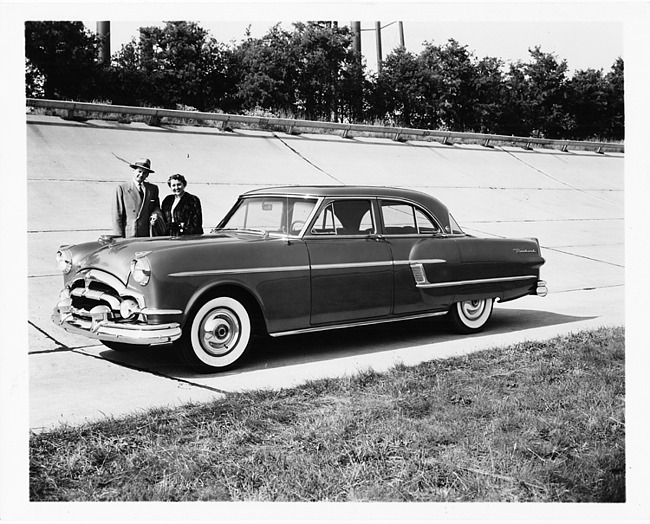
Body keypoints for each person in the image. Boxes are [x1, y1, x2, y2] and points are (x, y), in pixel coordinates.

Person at [112, 158, 163, 238]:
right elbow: (117, 215)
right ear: (133, 171)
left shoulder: (153, 189)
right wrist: (118, 237)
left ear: (147, 175)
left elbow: (156, 207)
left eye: (145, 173)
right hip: (130, 234)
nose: (141, 175)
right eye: (139, 171)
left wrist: (155, 214)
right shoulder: (122, 188)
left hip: (147, 234)